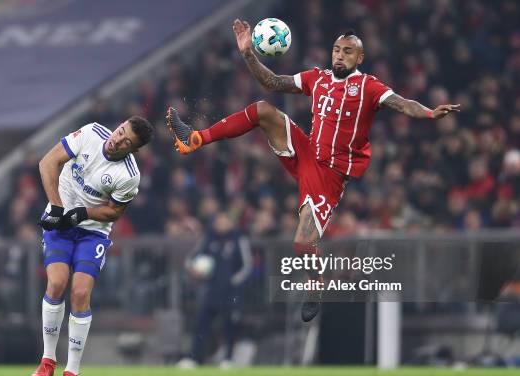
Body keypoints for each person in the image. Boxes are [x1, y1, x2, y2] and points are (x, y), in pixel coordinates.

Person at [167, 20, 460, 323]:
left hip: (329, 175)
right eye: (336, 50)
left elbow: (402, 104)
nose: (340, 56)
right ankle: (195, 139)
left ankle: (316, 283)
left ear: (359, 58)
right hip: (306, 152)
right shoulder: (317, 78)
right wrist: (248, 54)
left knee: (302, 244)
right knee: (263, 109)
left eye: (348, 52)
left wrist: (427, 112)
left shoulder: (369, 86)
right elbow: (272, 82)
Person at [30, 117, 153, 376]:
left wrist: (82, 214)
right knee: (56, 284)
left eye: (127, 142)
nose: (118, 140)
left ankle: (71, 374)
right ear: (119, 125)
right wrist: (57, 208)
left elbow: (114, 212)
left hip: (92, 233)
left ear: (133, 149)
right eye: (121, 132)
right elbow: (48, 162)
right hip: (61, 222)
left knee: (80, 292)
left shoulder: (129, 175)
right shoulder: (91, 133)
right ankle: (48, 359)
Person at [178, 212, 252, 368]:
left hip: (231, 292)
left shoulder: (239, 239)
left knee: (230, 325)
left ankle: (228, 359)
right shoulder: (208, 239)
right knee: (201, 324)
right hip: (210, 290)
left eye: (225, 221)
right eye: (219, 222)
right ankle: (195, 358)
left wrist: (232, 282)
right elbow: (189, 260)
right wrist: (194, 270)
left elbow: (246, 266)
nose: (222, 225)